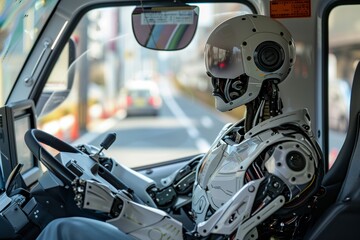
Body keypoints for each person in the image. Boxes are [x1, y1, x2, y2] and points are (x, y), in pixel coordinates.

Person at [37, 14, 324, 240]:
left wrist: (116, 209)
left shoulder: (287, 157)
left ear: (264, 62)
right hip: (186, 226)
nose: (214, 78)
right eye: (213, 64)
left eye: (224, 65)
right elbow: (167, 195)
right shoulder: (238, 135)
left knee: (62, 231)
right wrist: (108, 168)